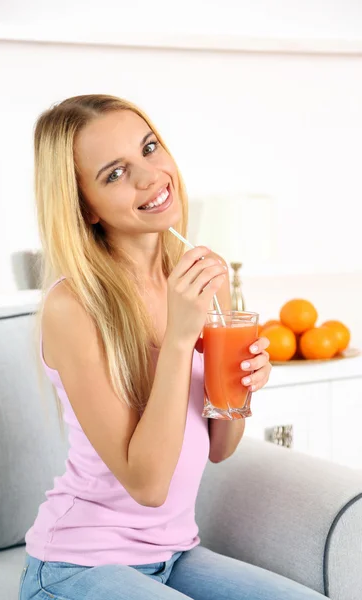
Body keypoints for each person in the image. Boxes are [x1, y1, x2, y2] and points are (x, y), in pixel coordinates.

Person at [20, 94, 323, 600]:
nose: (150, 177)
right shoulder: (73, 308)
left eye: (150, 148)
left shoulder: (202, 276)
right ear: (85, 208)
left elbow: (221, 446)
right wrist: (181, 339)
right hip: (76, 566)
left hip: (176, 555)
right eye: (114, 174)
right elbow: (148, 485)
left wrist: (240, 382)